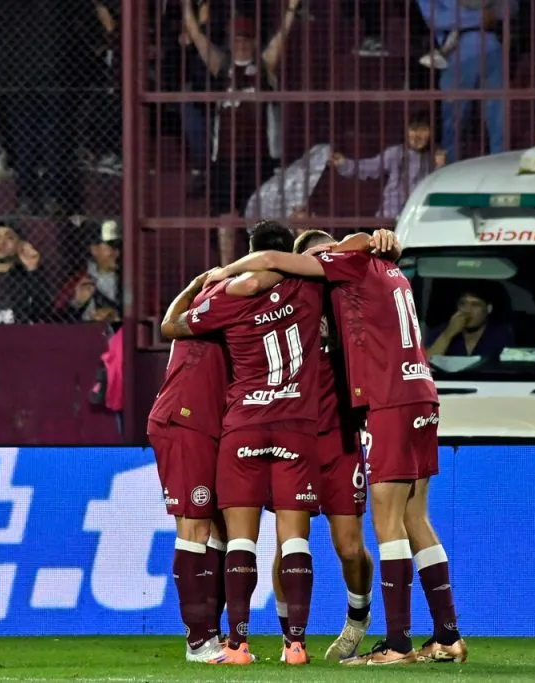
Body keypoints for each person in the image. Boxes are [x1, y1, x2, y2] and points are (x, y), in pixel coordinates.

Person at [207, 230, 467, 666]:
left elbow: (336, 246)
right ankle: (446, 634)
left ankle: (397, 643)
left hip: (383, 404)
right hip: (416, 393)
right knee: (411, 517)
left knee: (381, 529)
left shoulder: (345, 267)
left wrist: (224, 272)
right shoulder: (379, 273)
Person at [161, 221, 323, 666]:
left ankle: (234, 642)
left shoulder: (227, 294)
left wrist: (206, 280)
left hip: (238, 424)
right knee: (278, 537)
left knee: (232, 536)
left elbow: (170, 326)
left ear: (250, 251)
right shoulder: (310, 288)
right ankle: (275, 645)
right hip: (253, 422)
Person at [269, 229, 383, 663]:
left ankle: (358, 619)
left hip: (340, 437)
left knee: (350, 547)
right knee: (289, 545)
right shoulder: (280, 304)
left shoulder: (350, 302)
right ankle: (290, 638)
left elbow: (365, 247)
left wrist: (374, 240)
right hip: (291, 437)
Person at [147, 273, 231, 664]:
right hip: (184, 423)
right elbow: (169, 324)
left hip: (210, 427)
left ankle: (212, 633)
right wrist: (198, 284)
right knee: (194, 526)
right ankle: (198, 641)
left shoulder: (221, 311)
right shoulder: (212, 310)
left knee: (219, 528)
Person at [425, 287, 514, 358]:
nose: (467, 310)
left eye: (475, 305)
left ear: (489, 309)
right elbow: (423, 366)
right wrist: (448, 334)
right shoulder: (440, 331)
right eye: (463, 304)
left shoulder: (501, 334)